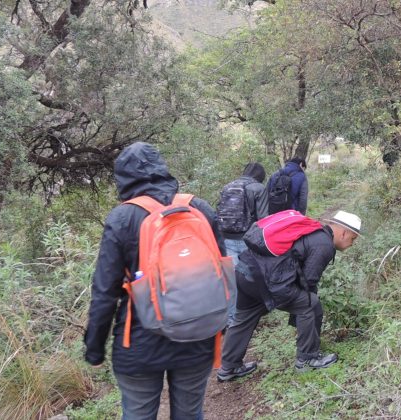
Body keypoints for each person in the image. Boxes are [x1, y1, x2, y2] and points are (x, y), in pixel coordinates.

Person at [84, 142, 226, 419]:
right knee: (190, 413)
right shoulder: (199, 208)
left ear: (123, 178)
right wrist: (221, 326)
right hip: (198, 337)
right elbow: (221, 275)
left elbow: (105, 292)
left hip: (139, 342)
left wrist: (94, 349)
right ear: (162, 169)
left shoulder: (123, 217)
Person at [216, 210, 362, 382]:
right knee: (310, 304)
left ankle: (229, 367)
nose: (352, 243)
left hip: (246, 271)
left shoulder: (311, 231)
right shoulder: (324, 245)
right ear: (343, 232)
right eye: (352, 239)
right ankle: (307, 358)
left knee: (243, 318)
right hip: (265, 279)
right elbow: (309, 281)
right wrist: (301, 314)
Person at [217, 162, 269, 261]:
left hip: (226, 238)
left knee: (232, 273)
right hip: (248, 239)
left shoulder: (227, 187)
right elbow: (263, 218)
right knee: (248, 273)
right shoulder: (259, 188)